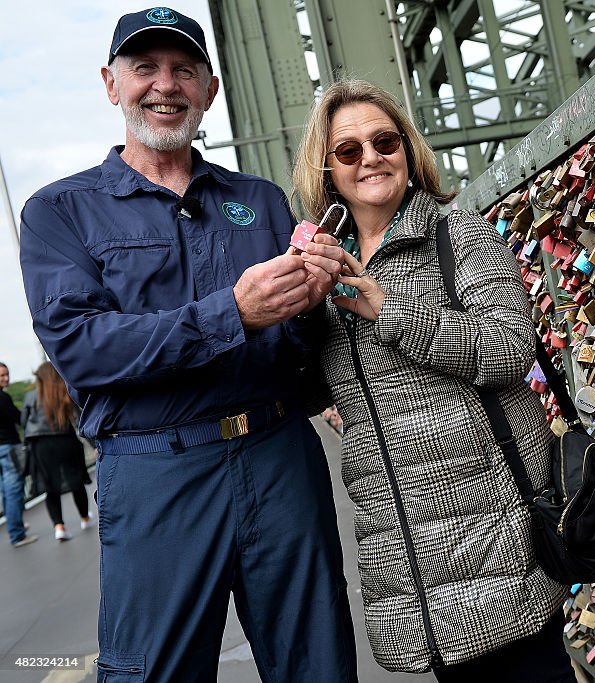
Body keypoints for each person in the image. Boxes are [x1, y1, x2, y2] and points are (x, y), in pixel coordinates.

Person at [19, 8, 357, 681]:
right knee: (154, 671)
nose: (164, 85)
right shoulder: (58, 211)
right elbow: (84, 347)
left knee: (317, 664)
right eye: (145, 68)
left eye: (184, 70)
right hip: (154, 472)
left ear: (211, 88)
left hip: (279, 457)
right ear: (111, 84)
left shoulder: (261, 202)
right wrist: (234, 310)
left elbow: (305, 360)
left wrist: (314, 301)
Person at [291, 78, 573, 681]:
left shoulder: (457, 234)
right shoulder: (324, 265)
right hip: (410, 569)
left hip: (495, 543)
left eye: (384, 141)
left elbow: (509, 348)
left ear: (408, 149)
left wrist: (388, 310)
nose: (370, 158)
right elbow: (317, 382)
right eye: (348, 151)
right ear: (327, 170)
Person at [21, 362, 93, 542]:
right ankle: (84, 518)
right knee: (75, 480)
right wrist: (95, 445)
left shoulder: (31, 397)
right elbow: (80, 421)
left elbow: (24, 422)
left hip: (41, 445)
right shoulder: (65, 393)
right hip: (65, 441)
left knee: (49, 486)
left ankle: (59, 527)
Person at [1, 361, 38, 548]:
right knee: (14, 491)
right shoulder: (3, 398)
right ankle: (17, 534)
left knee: (5, 493)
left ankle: (16, 526)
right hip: (9, 449)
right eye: (2, 376)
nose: (6, 378)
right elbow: (19, 419)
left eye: (7, 374)